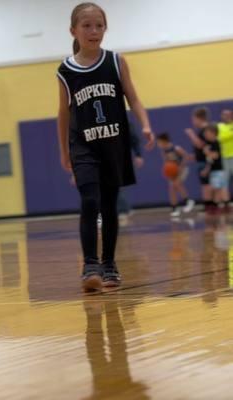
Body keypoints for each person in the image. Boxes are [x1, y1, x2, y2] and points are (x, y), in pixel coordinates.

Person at [57, 2, 155, 291]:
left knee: (110, 206)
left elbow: (133, 98)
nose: (94, 31)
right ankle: (90, 266)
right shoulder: (66, 70)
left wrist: (145, 123)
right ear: (73, 30)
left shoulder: (115, 61)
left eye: (99, 25)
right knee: (90, 200)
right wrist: (64, 151)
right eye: (87, 25)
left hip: (114, 144)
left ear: (105, 29)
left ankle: (109, 264)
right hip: (84, 146)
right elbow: (63, 113)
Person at [157, 132, 195, 217]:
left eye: (159, 142)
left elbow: (186, 156)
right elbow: (166, 162)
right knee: (171, 188)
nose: (158, 144)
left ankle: (188, 201)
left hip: (182, 168)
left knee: (177, 184)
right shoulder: (163, 151)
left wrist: (180, 167)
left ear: (164, 141)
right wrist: (167, 171)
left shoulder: (176, 148)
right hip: (173, 170)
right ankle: (174, 208)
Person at [185, 107, 213, 212]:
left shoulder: (205, 130)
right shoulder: (204, 130)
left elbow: (201, 145)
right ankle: (209, 205)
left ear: (199, 118)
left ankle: (209, 206)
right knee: (206, 184)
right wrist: (194, 156)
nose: (193, 122)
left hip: (206, 162)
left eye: (193, 119)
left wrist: (191, 135)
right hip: (202, 160)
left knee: (206, 184)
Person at [117, 120, 144, 226]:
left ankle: (123, 211)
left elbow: (134, 138)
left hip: (120, 156)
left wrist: (138, 154)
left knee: (116, 184)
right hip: (104, 157)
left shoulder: (123, 120)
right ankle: (122, 210)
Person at [201, 124, 227, 213]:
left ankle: (218, 206)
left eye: (207, 133)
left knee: (216, 189)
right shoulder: (209, 144)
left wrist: (207, 152)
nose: (205, 135)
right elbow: (210, 161)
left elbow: (215, 156)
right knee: (215, 189)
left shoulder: (216, 143)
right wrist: (206, 169)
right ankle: (217, 205)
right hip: (213, 170)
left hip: (218, 170)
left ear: (213, 133)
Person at [217, 109, 233, 211]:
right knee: (224, 181)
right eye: (224, 115)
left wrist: (225, 136)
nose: (226, 116)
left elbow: (223, 137)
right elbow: (219, 138)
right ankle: (226, 202)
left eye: (228, 114)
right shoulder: (219, 126)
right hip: (224, 157)